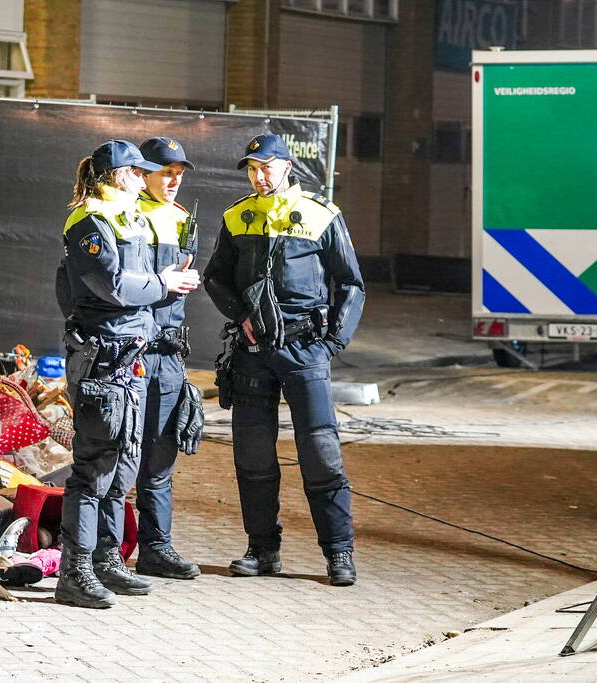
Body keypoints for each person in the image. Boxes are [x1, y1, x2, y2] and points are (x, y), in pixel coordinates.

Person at [202, 133, 365, 586]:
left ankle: (338, 553)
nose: (258, 176)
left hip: (305, 349)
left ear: (287, 167)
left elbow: (351, 284)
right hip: (253, 354)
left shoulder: (321, 215)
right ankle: (262, 550)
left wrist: (332, 344)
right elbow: (215, 278)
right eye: (252, 168)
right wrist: (241, 316)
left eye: (266, 167)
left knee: (321, 453)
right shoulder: (238, 216)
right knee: (253, 457)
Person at [55, 139, 200, 608]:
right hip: (104, 357)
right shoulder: (89, 221)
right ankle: (73, 572)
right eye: (138, 172)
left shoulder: (126, 217)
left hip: (130, 353)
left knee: (124, 463)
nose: (145, 179)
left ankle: (105, 559)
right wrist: (164, 283)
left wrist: (163, 287)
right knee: (93, 468)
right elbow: (110, 285)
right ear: (119, 176)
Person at [132, 137, 203, 580]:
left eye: (180, 172)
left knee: (159, 458)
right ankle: (104, 552)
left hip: (169, 355)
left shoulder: (182, 220)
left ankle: (156, 548)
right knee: (119, 458)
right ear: (144, 172)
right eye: (166, 170)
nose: (174, 179)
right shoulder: (126, 215)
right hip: (131, 353)